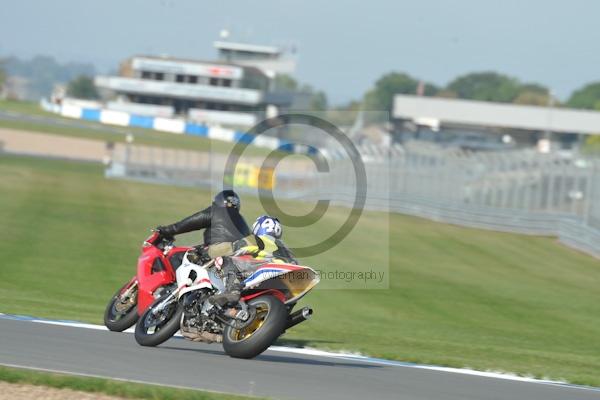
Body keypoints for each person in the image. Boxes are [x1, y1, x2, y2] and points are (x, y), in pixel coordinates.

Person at [211, 215, 296, 307]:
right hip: (288, 279)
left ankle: (233, 291)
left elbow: (234, 248)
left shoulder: (258, 239)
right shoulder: (286, 248)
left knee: (226, 260)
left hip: (266, 270)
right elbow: (294, 264)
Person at [156, 190, 255, 261]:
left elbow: (191, 222)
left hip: (215, 252)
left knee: (177, 256)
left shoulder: (217, 210)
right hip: (238, 256)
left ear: (219, 200)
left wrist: (167, 230)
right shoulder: (242, 221)